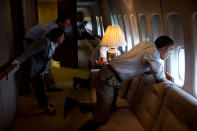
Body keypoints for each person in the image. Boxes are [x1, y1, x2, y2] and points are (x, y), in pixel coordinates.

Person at [64, 35, 175, 130]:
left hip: (111, 76)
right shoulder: (153, 53)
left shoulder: (146, 44)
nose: (170, 54)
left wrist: (165, 73)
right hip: (108, 78)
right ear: (163, 49)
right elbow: (159, 77)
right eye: (170, 50)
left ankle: (73, 104)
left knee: (109, 107)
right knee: (101, 118)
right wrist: (165, 77)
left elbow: (150, 68)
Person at [12, 28, 65, 115]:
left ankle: (43, 104)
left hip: (40, 67)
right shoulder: (44, 42)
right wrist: (18, 60)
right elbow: (30, 51)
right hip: (33, 66)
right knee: (39, 87)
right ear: (56, 36)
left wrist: (45, 70)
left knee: (39, 86)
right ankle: (46, 107)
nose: (63, 38)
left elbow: (48, 59)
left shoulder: (54, 45)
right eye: (62, 36)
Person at [23, 16, 71, 92]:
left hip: (35, 41)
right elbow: (48, 42)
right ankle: (48, 87)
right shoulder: (52, 28)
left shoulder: (55, 27)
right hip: (30, 42)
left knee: (46, 64)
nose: (68, 26)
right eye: (67, 23)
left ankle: (48, 86)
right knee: (41, 65)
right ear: (61, 23)